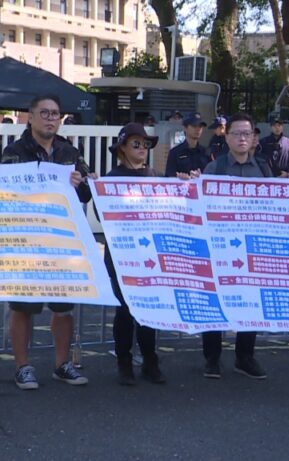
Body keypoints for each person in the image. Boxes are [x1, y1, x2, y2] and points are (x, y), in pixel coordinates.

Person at [1, 94, 92, 390]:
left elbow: (87, 191)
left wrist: (81, 183)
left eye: (55, 114)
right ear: (31, 117)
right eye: (45, 113)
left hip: (61, 240)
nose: (51, 119)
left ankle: (62, 364)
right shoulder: (14, 152)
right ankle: (22, 366)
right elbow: (3, 191)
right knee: (23, 306)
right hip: (26, 240)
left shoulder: (69, 151)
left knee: (63, 307)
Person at [200, 113, 273, 380]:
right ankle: (212, 358)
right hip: (220, 246)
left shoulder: (263, 169)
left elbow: (275, 205)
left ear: (254, 138)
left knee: (250, 301)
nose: (242, 138)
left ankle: (245, 357)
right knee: (216, 301)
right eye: (237, 133)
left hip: (251, 247)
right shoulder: (214, 168)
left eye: (247, 133)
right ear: (227, 137)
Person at [104, 123, 168, 385]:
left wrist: (188, 184)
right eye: (136, 144)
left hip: (150, 254)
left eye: (145, 144)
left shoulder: (156, 176)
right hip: (121, 255)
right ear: (122, 148)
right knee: (124, 310)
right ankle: (124, 362)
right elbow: (101, 214)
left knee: (148, 309)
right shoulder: (111, 179)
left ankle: (150, 361)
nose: (142, 148)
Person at [164, 112, 209, 178]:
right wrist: (179, 178)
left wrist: (201, 176)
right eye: (194, 126)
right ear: (185, 128)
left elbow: (212, 176)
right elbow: (169, 177)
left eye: (200, 126)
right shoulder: (175, 153)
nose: (198, 129)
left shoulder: (206, 152)